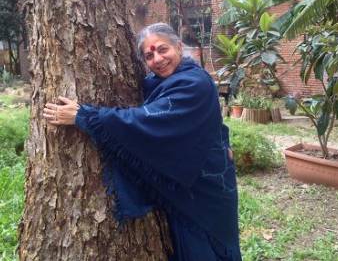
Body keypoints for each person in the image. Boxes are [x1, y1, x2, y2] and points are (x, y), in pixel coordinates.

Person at [43, 23, 242, 261]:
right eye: (149, 55)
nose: (157, 59)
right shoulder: (159, 83)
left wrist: (83, 116)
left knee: (208, 250)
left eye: (162, 49)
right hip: (191, 181)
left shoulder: (193, 83)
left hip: (205, 191)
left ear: (179, 46)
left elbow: (147, 122)